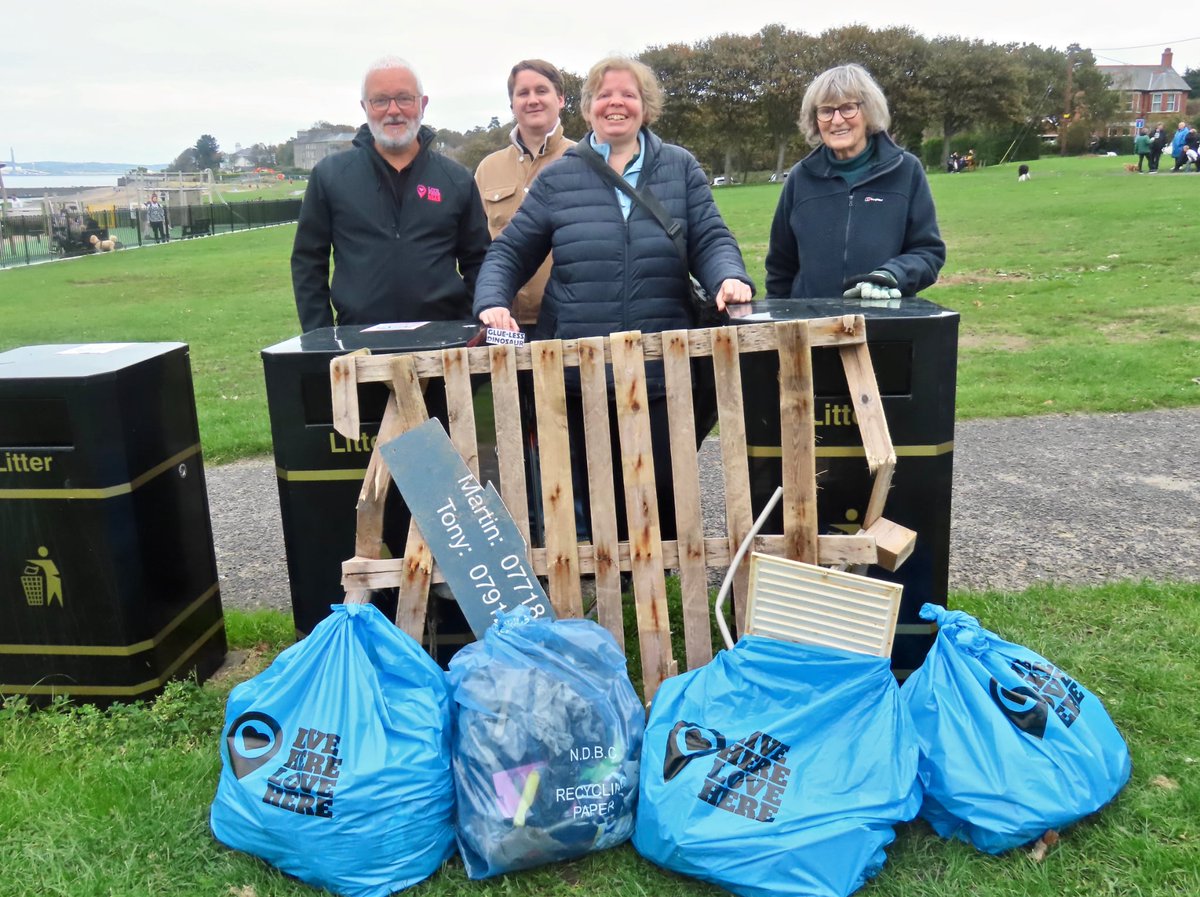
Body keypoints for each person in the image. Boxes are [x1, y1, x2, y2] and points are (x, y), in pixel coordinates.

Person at [473, 56, 754, 538]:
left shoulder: (680, 167)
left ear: (646, 106)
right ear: (587, 108)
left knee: (661, 480)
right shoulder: (560, 177)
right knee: (592, 484)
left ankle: (656, 579)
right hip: (581, 367)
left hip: (663, 362)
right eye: (604, 95)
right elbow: (511, 251)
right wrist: (492, 300)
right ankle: (611, 580)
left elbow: (709, 237)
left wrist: (729, 276)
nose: (616, 103)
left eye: (628, 94)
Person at [291, 56, 490, 333]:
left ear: (422, 104)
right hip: (357, 345)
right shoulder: (330, 176)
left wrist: (467, 327)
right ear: (365, 107)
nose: (393, 110)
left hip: (444, 345)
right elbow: (308, 263)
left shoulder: (456, 179)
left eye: (404, 98)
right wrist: (321, 338)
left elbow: (478, 260)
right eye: (380, 100)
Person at [765, 63, 945, 301]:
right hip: (814, 329)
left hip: (883, 326)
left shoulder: (906, 170)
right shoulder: (800, 177)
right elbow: (780, 267)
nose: (837, 120)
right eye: (826, 111)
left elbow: (928, 252)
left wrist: (893, 274)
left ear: (868, 111)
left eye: (848, 108)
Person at [474, 59, 575, 333]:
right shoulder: (487, 169)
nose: (532, 100)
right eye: (523, 93)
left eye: (541, 91)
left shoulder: (584, 162)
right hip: (506, 323)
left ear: (561, 99)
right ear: (512, 105)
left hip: (569, 321)